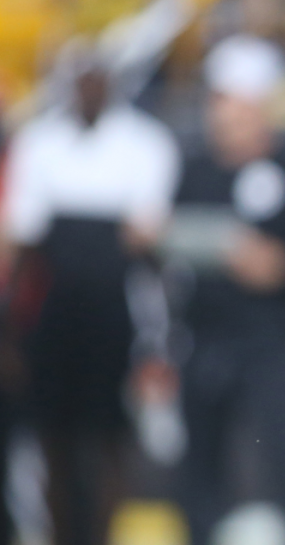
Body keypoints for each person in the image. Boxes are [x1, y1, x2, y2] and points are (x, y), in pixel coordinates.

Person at [4, 35, 181, 545]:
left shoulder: (144, 143)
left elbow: (146, 237)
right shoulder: (39, 142)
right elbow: (24, 240)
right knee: (53, 435)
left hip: (115, 308)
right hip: (54, 308)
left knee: (108, 435)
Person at [169, 34, 285, 545]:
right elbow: (170, 240)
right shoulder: (196, 167)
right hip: (204, 339)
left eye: (228, 100)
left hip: (269, 343)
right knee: (200, 473)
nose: (219, 114)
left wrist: (281, 268)